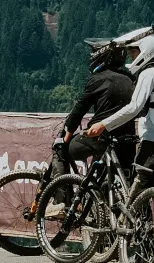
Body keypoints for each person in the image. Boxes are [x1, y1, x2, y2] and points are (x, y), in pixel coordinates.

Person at [85, 25, 154, 200]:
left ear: (145, 49)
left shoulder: (148, 73)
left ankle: (132, 226)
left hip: (153, 142)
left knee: (136, 193)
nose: (131, 56)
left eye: (133, 51)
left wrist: (103, 124)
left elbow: (134, 107)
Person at [47, 37, 136, 182]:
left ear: (100, 55)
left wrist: (65, 138)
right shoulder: (130, 78)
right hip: (127, 139)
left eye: (93, 52)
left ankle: (60, 200)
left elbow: (79, 110)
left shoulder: (98, 79)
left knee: (60, 150)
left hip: (99, 137)